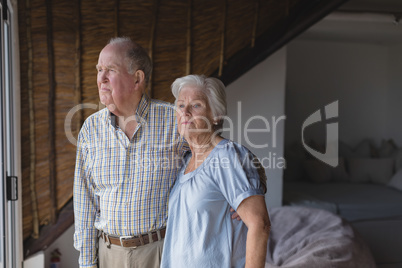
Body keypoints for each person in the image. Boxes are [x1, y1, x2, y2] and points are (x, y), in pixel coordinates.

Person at [73, 37, 189, 268]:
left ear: (137, 78)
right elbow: (84, 203)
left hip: (160, 252)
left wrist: (241, 197)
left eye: (110, 70)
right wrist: (87, 263)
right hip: (108, 254)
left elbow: (219, 157)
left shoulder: (174, 120)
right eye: (99, 70)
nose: (101, 78)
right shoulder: (91, 128)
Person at [161, 74, 271, 268]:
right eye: (180, 105)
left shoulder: (227, 156)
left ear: (215, 115)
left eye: (196, 105)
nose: (185, 112)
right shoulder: (185, 159)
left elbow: (260, 224)